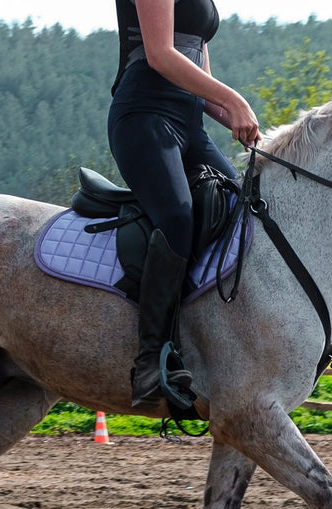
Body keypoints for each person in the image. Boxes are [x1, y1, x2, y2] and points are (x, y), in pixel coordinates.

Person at [108, 0, 260, 411]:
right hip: (144, 113)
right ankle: (149, 361)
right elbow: (160, 55)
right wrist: (234, 99)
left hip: (189, 120)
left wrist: (236, 119)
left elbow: (200, 81)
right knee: (177, 216)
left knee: (241, 206)